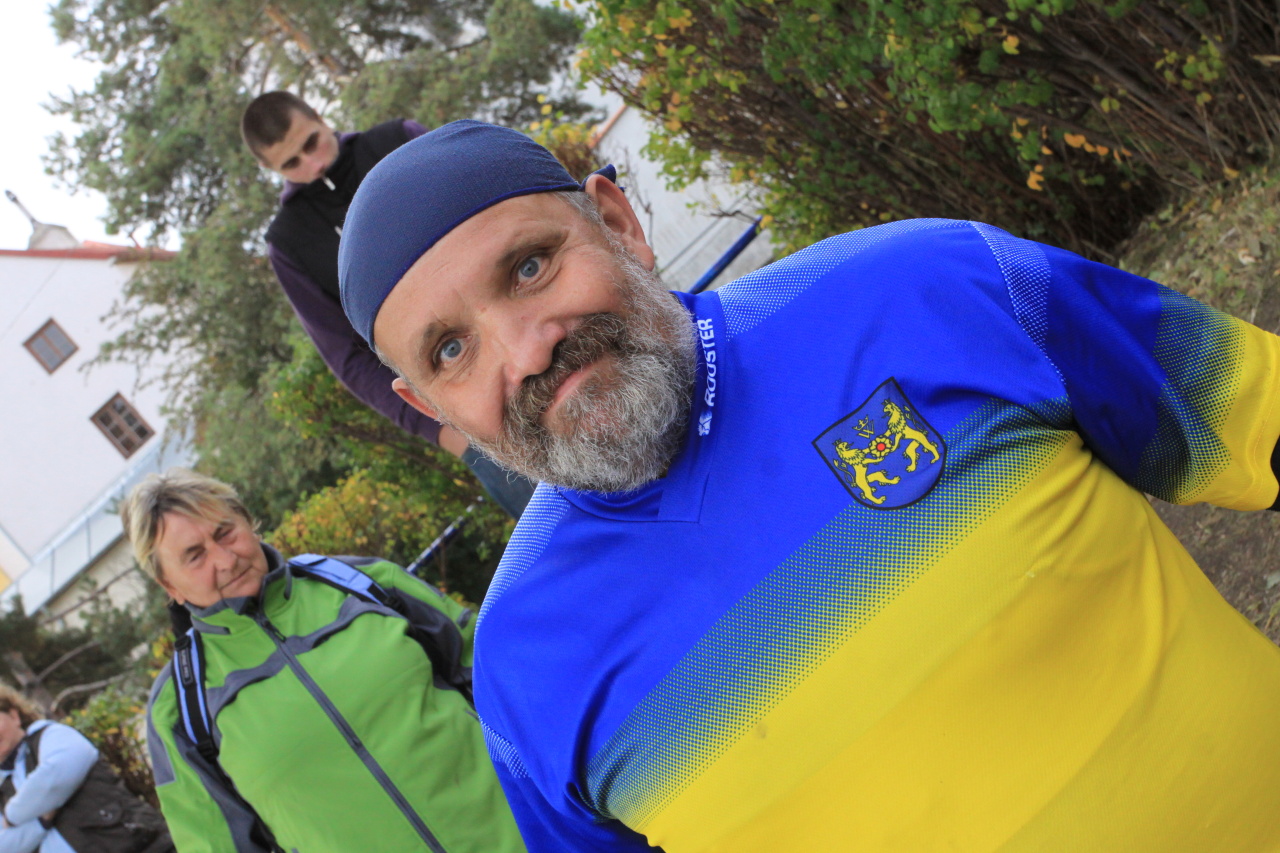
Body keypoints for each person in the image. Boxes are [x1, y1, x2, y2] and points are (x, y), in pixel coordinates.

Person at [337, 120, 1280, 851]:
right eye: (451, 349)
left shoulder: (927, 284)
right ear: (430, 405)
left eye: (531, 266)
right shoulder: (525, 668)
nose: (527, 349)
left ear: (618, 223)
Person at [126, 468, 525, 853]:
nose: (225, 560)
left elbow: (509, 680)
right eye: (195, 556)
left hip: (532, 836)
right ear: (169, 585)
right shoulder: (179, 707)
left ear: (247, 522)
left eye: (225, 532)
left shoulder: (363, 584)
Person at [241, 92, 534, 517]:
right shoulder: (288, 243)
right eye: (291, 163)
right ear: (271, 169)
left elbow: (501, 212)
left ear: (320, 117)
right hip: (468, 410)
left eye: (311, 142)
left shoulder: (398, 140)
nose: (313, 164)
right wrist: (446, 434)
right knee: (573, 545)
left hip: (532, 337)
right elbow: (347, 358)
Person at [0, 685, 172, 853]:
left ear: (14, 715)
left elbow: (58, 776)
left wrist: (11, 816)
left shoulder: (51, 735)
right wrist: (41, 820)